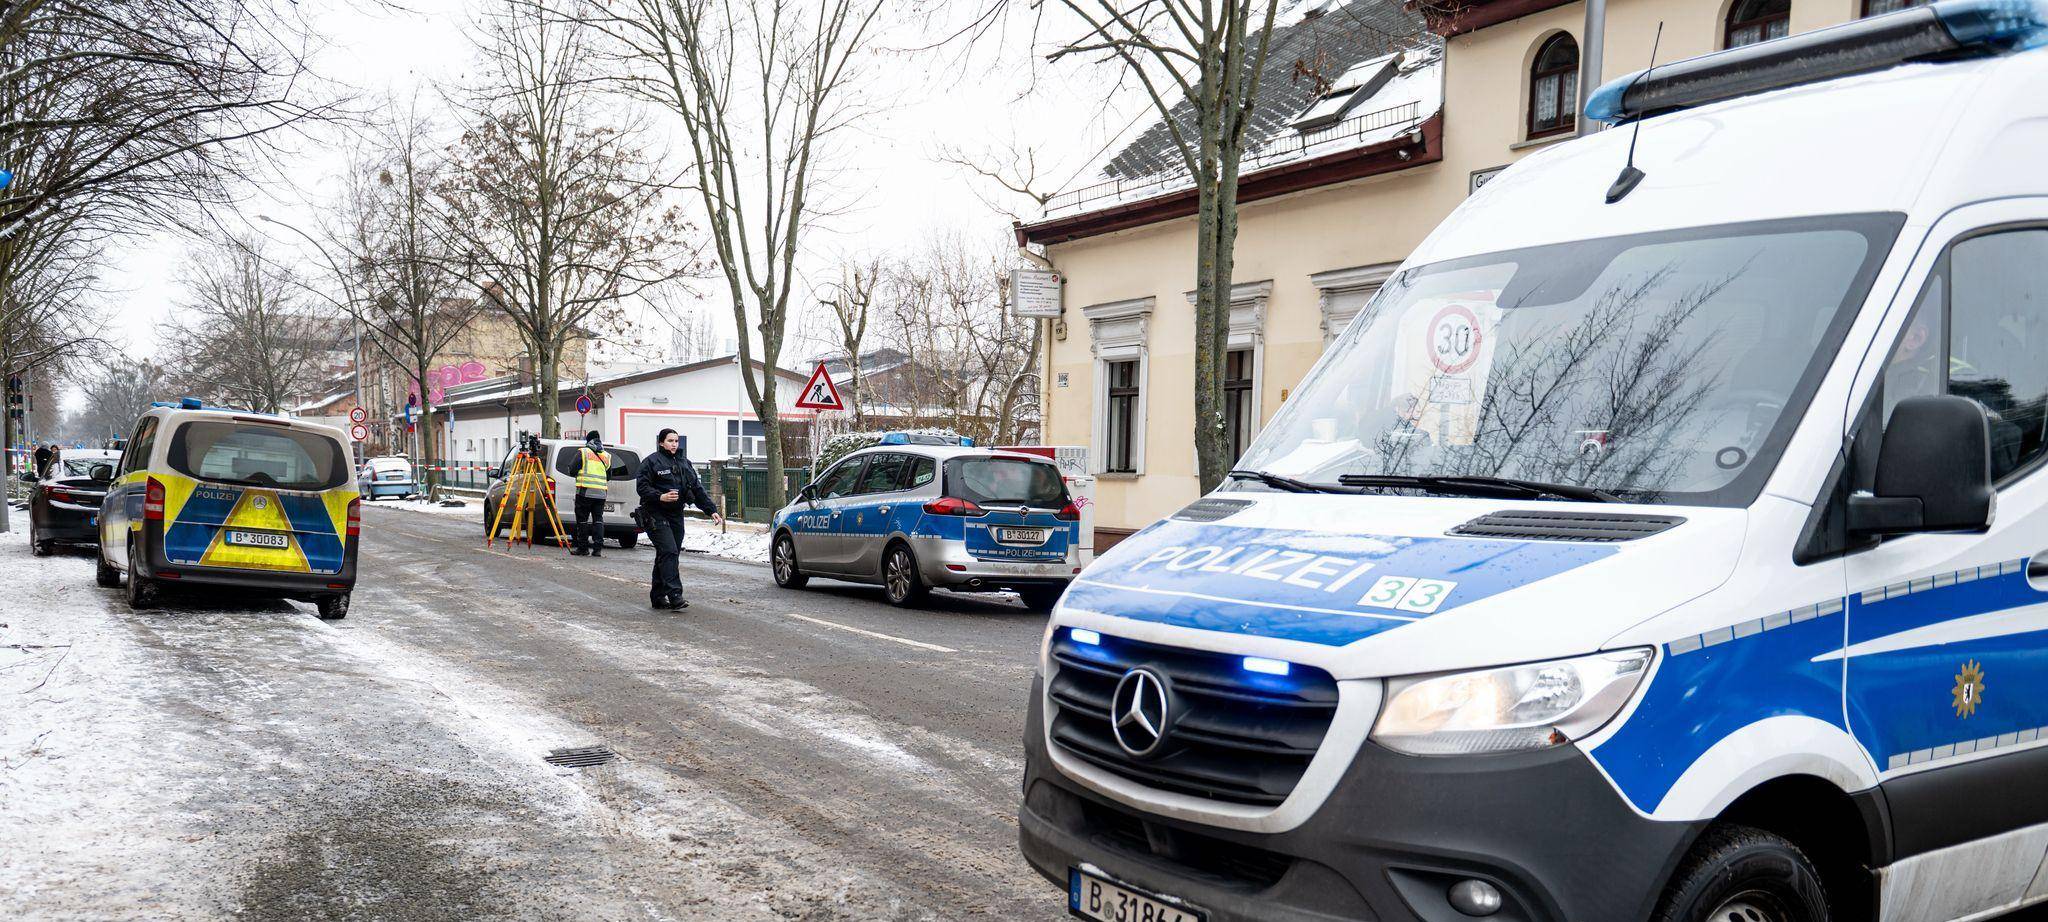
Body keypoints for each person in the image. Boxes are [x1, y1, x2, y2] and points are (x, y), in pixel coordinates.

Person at [635, 428, 722, 610]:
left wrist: (711, 510)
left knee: (667, 554)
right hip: (655, 512)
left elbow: (697, 489)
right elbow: (642, 487)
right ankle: (675, 595)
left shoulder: (684, 463)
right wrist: (660, 496)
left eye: (676, 441)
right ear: (661, 443)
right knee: (669, 551)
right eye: (670, 441)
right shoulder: (651, 462)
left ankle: (658, 597)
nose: (674, 444)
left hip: (675, 514)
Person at [570, 431, 611, 558]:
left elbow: (572, 470)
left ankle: (583, 548)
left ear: (588, 440)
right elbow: (608, 476)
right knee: (598, 520)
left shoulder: (583, 452)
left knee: (582, 520)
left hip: (585, 491)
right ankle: (597, 549)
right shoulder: (607, 455)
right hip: (601, 493)